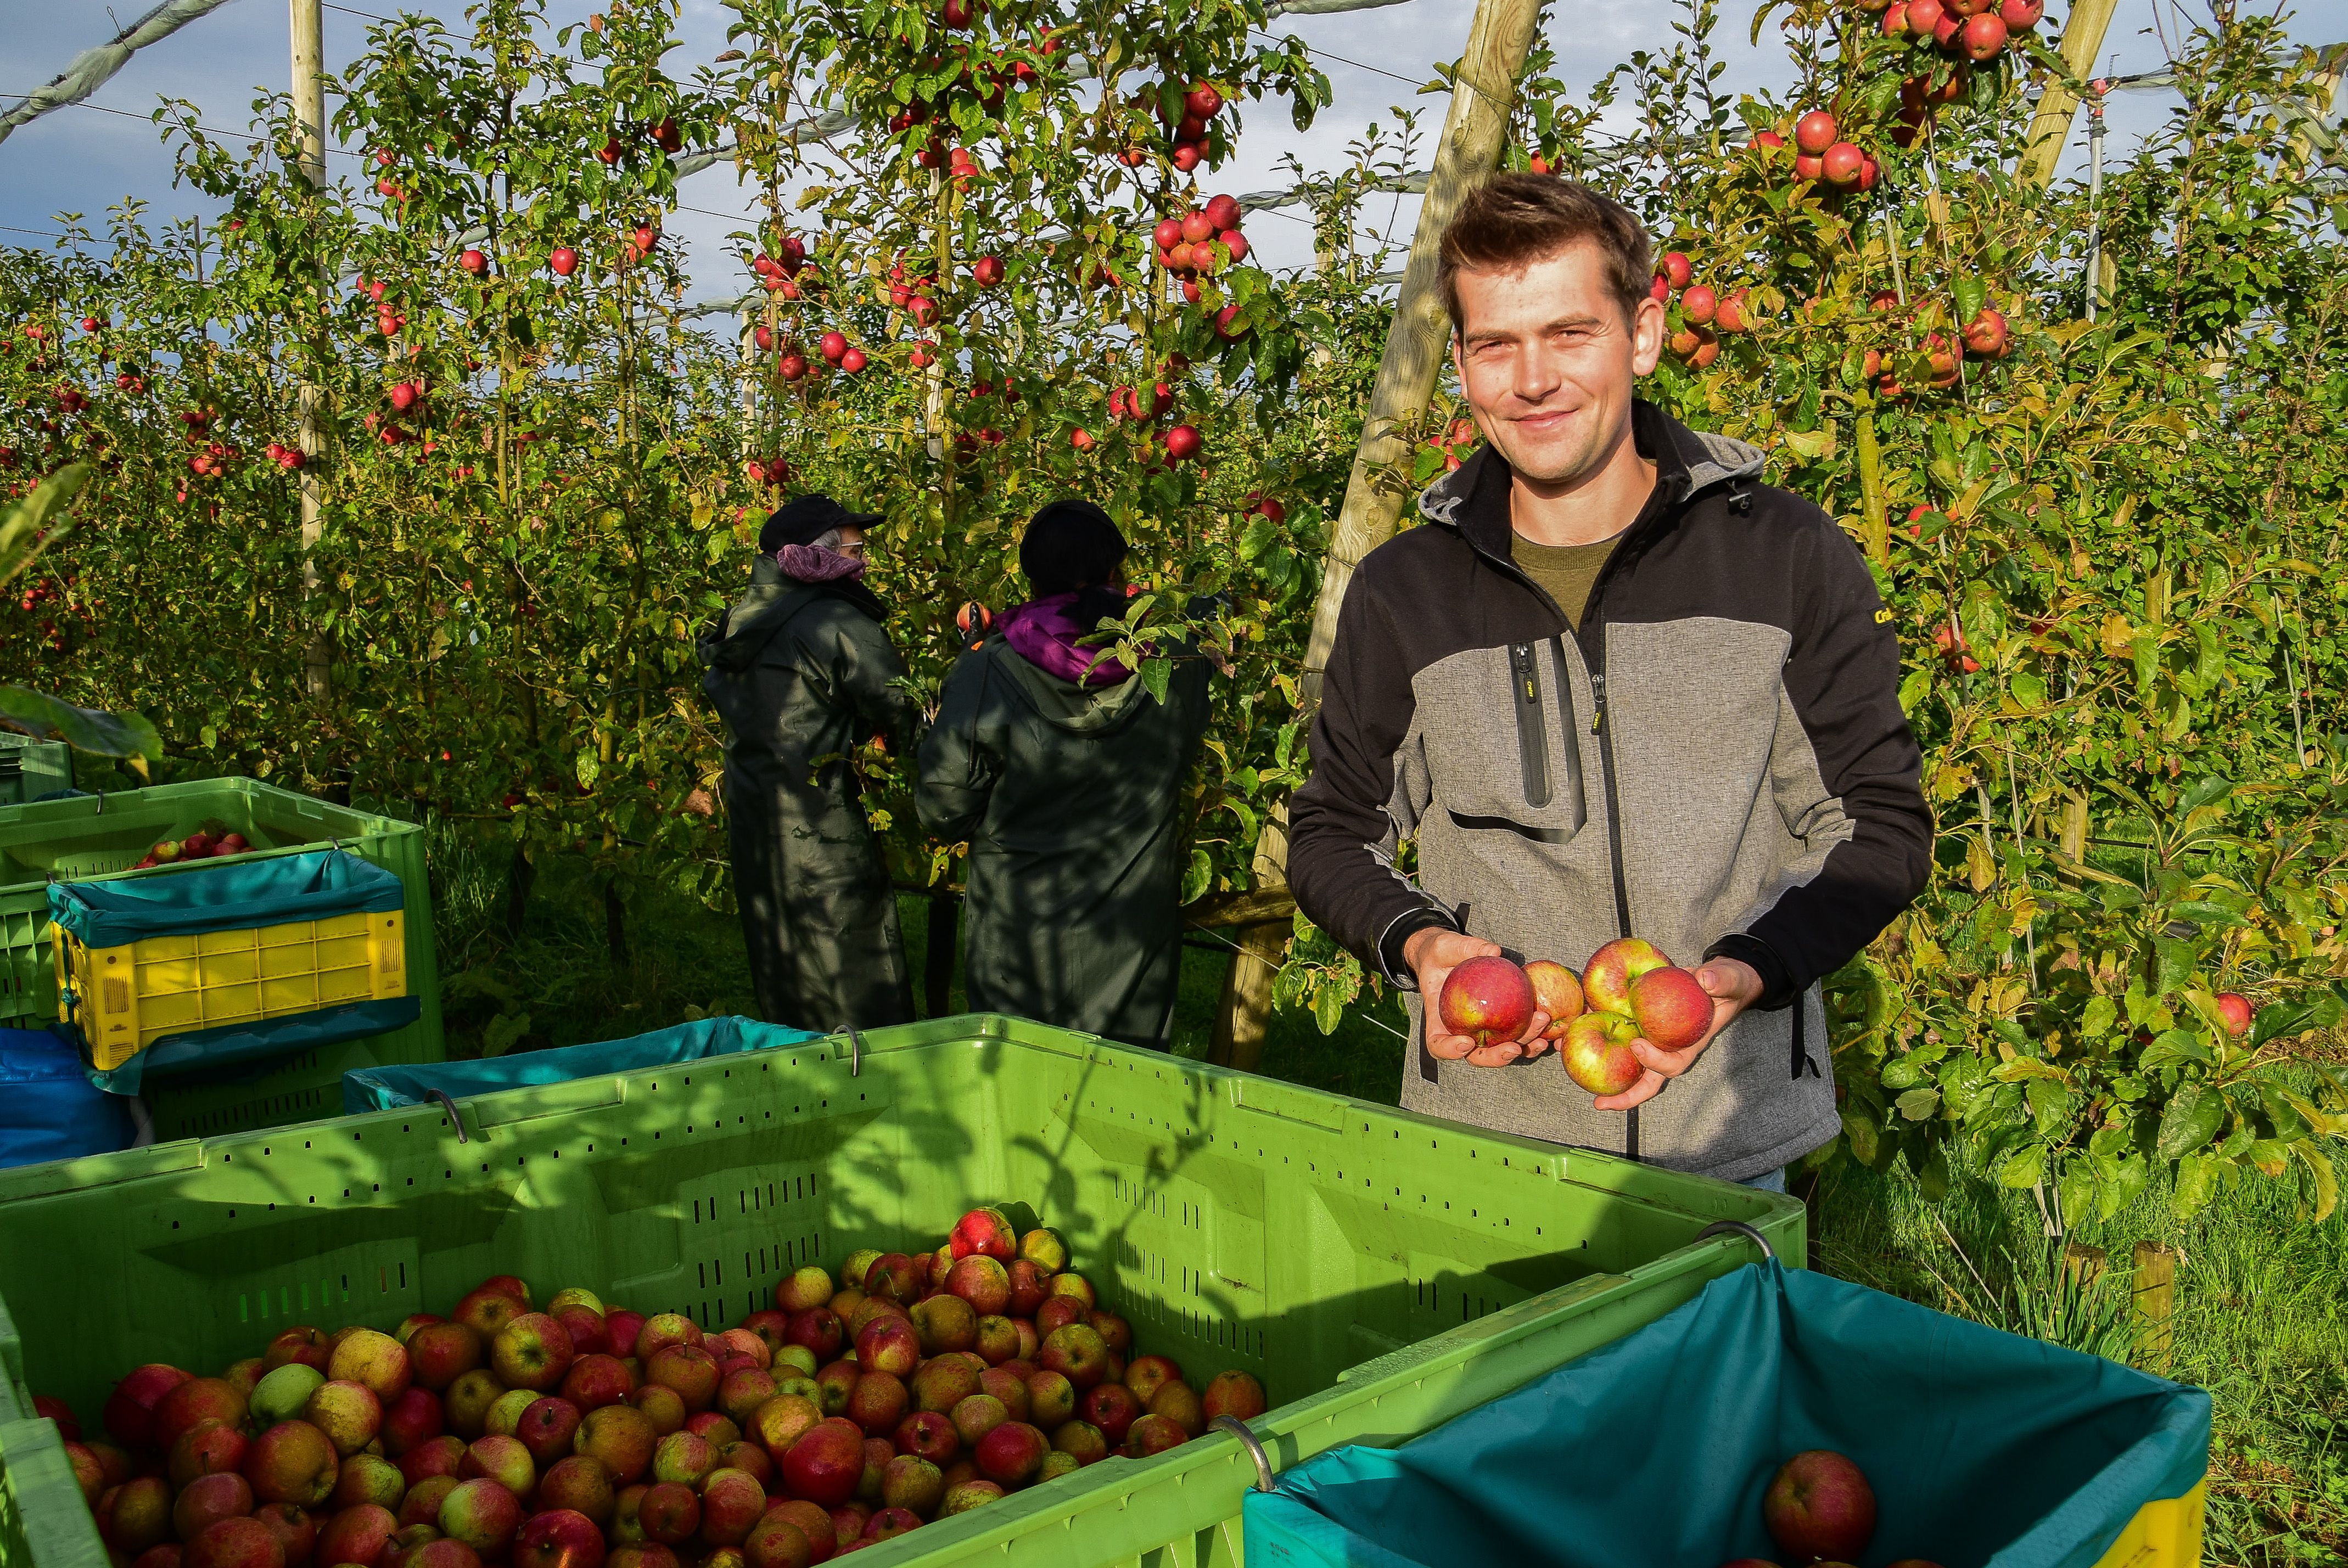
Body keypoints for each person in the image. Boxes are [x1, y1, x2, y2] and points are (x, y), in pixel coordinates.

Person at [1287, 175, 1932, 1189]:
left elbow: (1879, 827)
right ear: (1459, 363)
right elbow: (1331, 830)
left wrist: (1744, 972)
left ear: (1642, 332)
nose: (1531, 379)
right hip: (1484, 1147)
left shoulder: (1784, 558)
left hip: (1729, 1137)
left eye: (1569, 333)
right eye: (1494, 345)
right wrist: (1418, 946)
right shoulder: (1405, 591)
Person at [915, 500, 1212, 1049]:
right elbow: (1189, 744)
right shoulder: (1176, 662)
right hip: (1131, 935)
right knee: (1127, 1105)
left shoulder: (986, 669)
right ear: (1114, 574)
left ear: (1032, 579)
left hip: (1018, 940)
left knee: (1018, 1098)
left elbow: (944, 810)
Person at [701, 493, 918, 1032]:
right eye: (852, 542)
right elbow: (903, 709)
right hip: (824, 833)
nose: (861, 552)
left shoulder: (738, 624)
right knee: (862, 997)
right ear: (815, 555)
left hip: (756, 834)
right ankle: (878, 1105)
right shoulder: (835, 623)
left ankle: (801, 1106)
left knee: (789, 991)